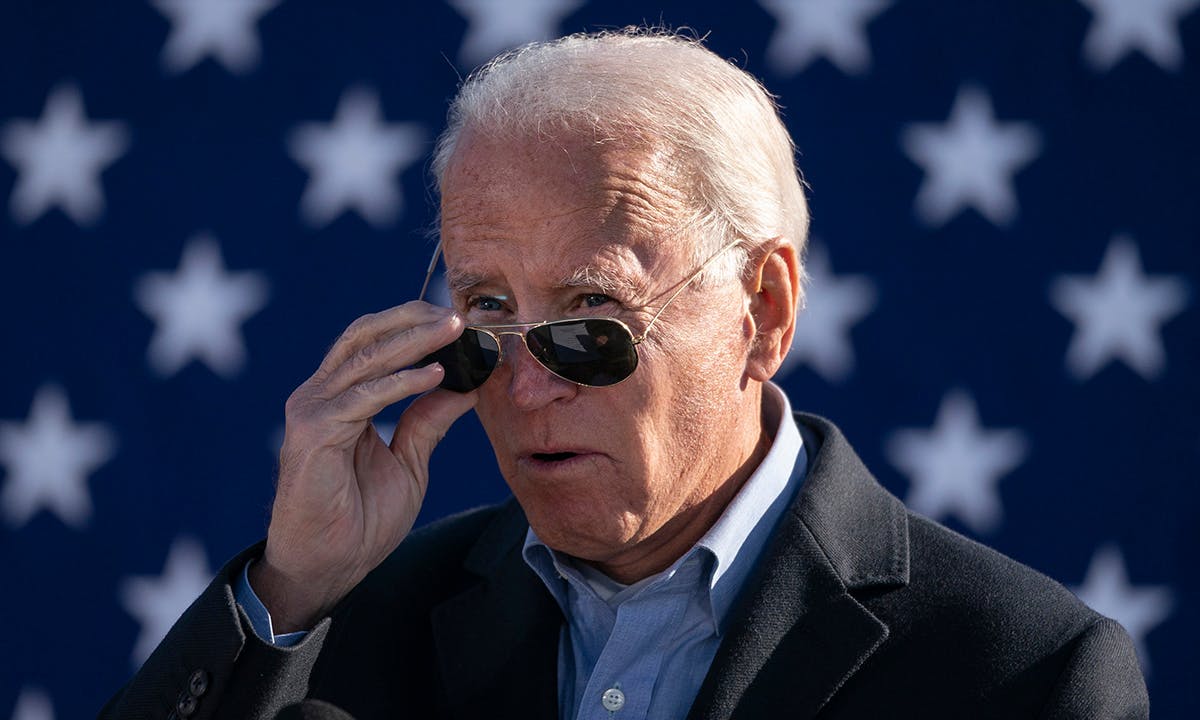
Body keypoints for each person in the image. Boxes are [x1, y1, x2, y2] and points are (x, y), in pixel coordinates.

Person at [101, 29, 1148, 720]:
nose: (523, 384)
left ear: (763, 312)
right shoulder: (348, 631)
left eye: (591, 317)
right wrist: (290, 588)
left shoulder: (1024, 672)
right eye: (488, 314)